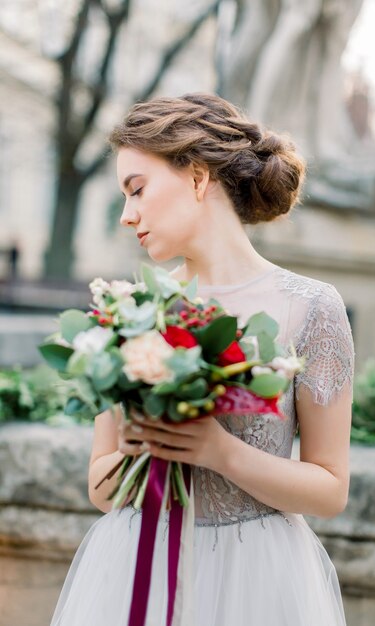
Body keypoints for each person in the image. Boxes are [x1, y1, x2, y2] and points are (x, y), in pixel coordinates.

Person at [50, 92, 354, 626]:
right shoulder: (132, 311)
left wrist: (218, 450)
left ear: (196, 177)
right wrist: (149, 446)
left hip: (261, 579)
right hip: (135, 564)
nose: (128, 215)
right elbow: (100, 486)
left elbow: (329, 489)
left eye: (137, 190)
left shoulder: (310, 308)